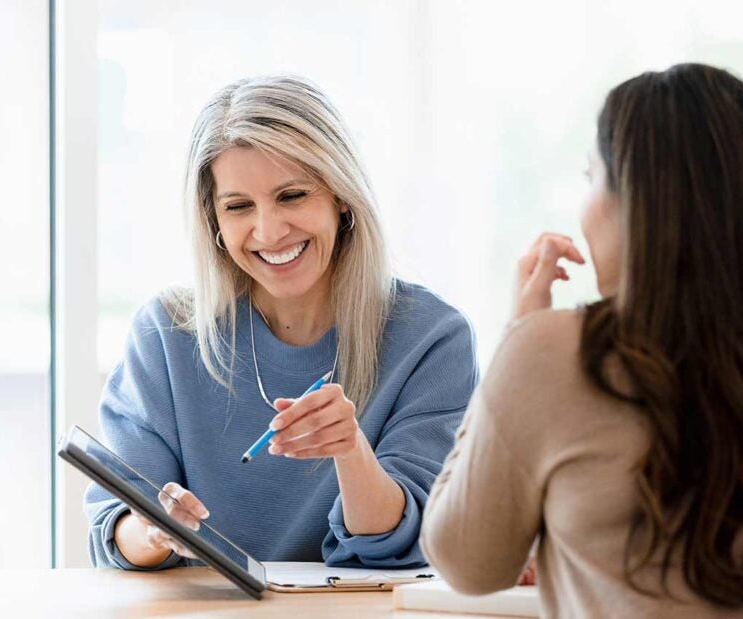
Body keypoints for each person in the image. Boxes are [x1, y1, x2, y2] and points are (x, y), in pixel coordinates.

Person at [421, 63, 743, 617]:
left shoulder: (553, 353)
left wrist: (518, 338)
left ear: (634, 199)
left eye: (591, 177)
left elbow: (468, 563)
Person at [85, 75, 479, 570]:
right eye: (238, 207)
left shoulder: (432, 339)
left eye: (292, 196)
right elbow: (114, 530)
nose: (269, 232)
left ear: (340, 195)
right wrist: (152, 528)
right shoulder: (165, 334)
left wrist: (351, 450)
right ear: (214, 221)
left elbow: (404, 542)